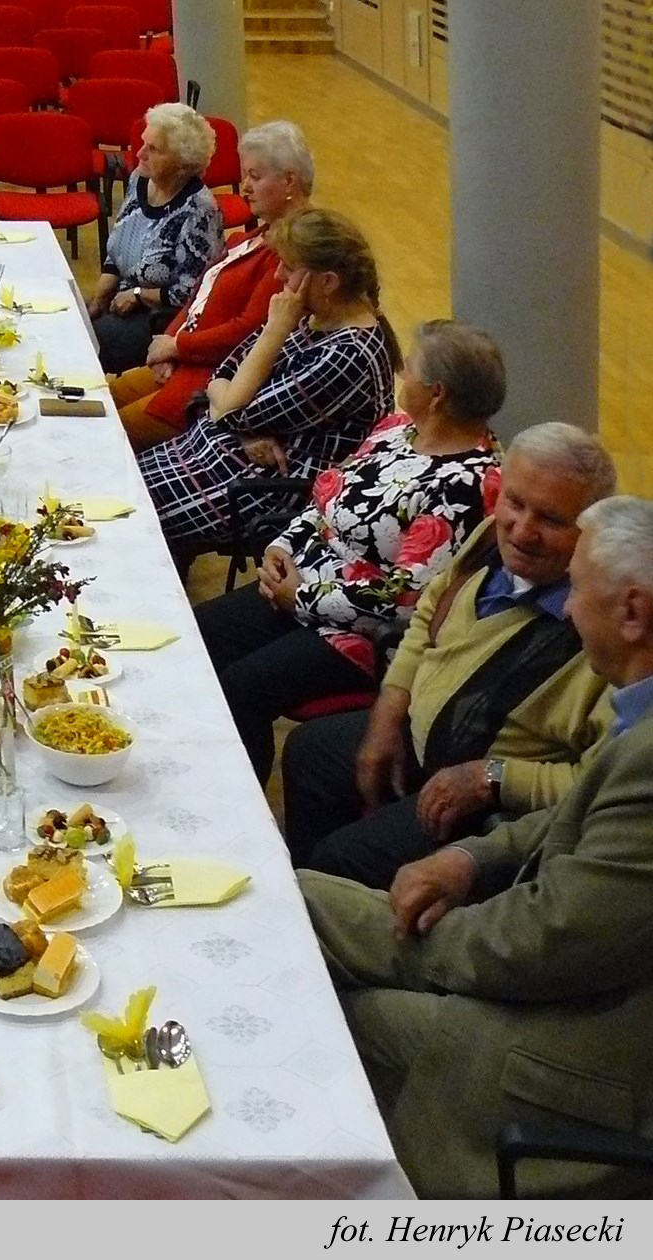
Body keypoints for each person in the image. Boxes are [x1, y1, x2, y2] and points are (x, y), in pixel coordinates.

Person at [300, 494, 653, 1198]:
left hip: (579, 1050)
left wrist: (429, 947)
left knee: (329, 1010)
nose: (568, 609)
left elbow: (552, 942)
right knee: (295, 902)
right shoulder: (639, 721)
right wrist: (470, 857)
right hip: (550, 965)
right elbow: (578, 817)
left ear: (633, 612)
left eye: (577, 589)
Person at [282, 423, 618, 887]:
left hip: (488, 801)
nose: (523, 531)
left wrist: (492, 778)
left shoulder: (603, 639)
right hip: (423, 735)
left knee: (337, 863)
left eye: (551, 520)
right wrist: (389, 711)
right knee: (310, 753)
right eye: (515, 503)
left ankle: (336, 910)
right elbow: (429, 613)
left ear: (590, 531)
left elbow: (603, 786)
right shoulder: (489, 540)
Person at [193, 322, 507, 784]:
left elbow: (405, 599)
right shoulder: (396, 431)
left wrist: (301, 597)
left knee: (241, 687)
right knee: (199, 636)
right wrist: (282, 547)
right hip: (302, 583)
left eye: (410, 369)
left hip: (360, 631)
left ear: (437, 393)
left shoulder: (467, 485)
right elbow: (328, 498)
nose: (401, 375)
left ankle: (233, 798)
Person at [135, 207, 398, 544]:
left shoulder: (347, 356)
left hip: (259, 490)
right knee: (114, 482)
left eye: (288, 267)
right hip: (222, 452)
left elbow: (230, 410)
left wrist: (274, 332)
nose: (277, 275)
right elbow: (223, 372)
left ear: (328, 282)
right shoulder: (310, 317)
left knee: (124, 511)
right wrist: (241, 425)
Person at [109, 120, 313, 450]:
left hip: (210, 379)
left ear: (290, 181)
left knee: (109, 433)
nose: (244, 187)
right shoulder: (255, 236)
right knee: (102, 398)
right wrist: (167, 344)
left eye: (255, 177)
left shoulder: (291, 254)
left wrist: (177, 346)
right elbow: (197, 296)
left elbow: (248, 331)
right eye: (245, 175)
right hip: (183, 361)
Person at [86, 103, 224, 374]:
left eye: (153, 149)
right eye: (143, 143)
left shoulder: (199, 210)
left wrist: (138, 295)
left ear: (182, 164)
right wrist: (100, 298)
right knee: (64, 318)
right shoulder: (139, 179)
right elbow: (117, 249)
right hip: (121, 299)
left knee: (84, 345)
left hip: (161, 318)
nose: (140, 154)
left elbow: (193, 291)